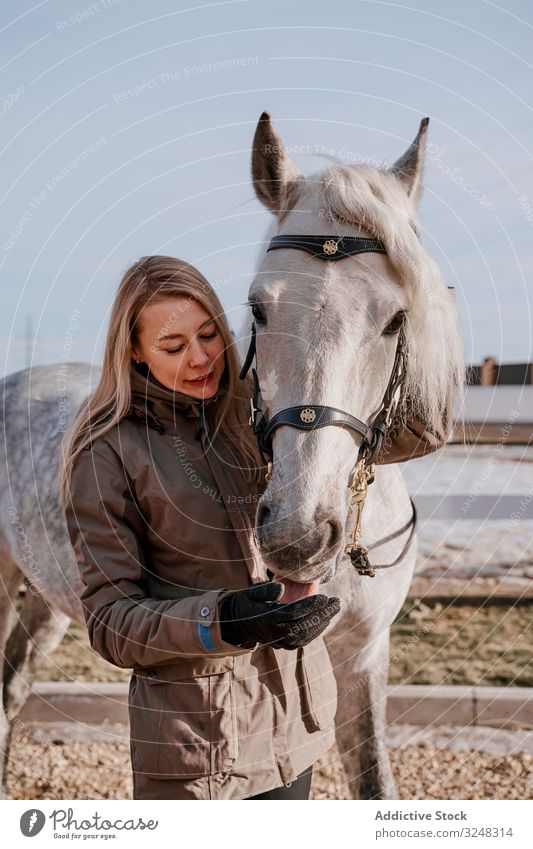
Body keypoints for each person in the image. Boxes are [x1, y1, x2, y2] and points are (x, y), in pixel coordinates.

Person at [59, 255, 341, 801]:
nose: (201, 357)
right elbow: (111, 624)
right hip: (202, 749)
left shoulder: (254, 412)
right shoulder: (107, 453)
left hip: (296, 724)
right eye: (172, 347)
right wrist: (225, 621)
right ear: (134, 352)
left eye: (209, 333)